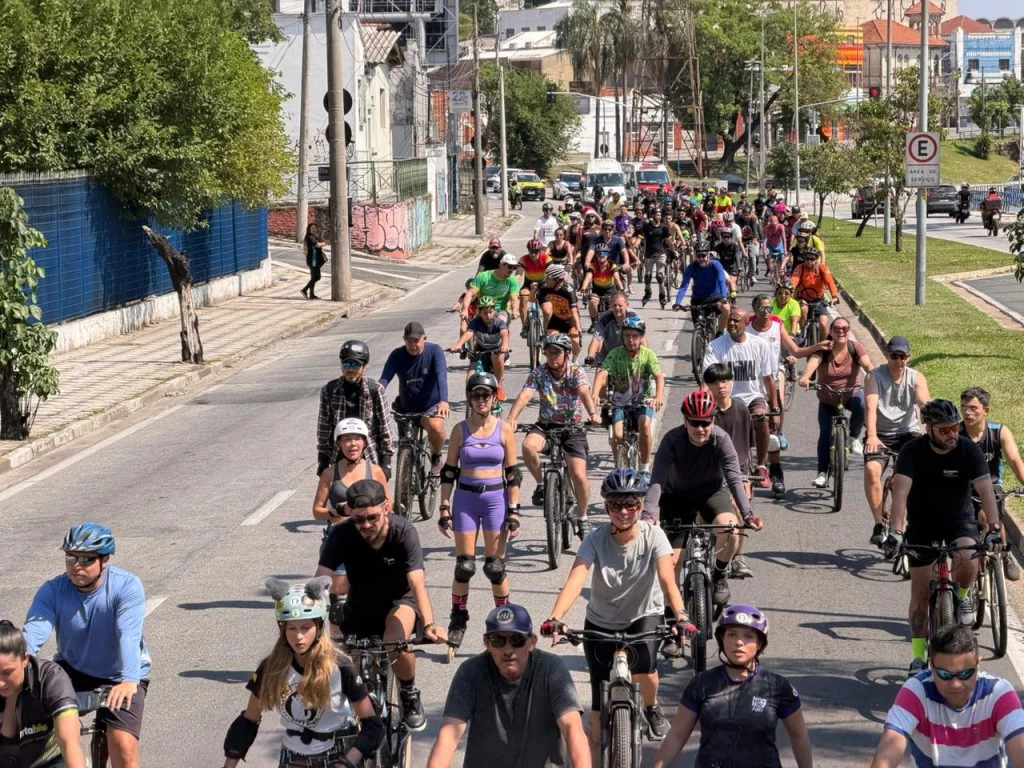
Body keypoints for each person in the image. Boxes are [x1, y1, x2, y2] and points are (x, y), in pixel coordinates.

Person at [545, 470, 697, 751]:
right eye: (616, 505)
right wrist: (555, 618)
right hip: (600, 621)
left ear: (641, 507)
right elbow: (576, 580)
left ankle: (651, 708)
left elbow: (667, 579)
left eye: (631, 505)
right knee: (596, 710)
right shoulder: (595, 539)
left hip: (643, 617)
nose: (624, 511)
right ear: (606, 507)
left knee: (646, 672)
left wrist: (681, 616)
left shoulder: (654, 537)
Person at [881, 400, 1003, 676]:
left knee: (969, 557)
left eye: (955, 428)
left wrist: (994, 527)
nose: (951, 434)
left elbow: (985, 490)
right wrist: (897, 533)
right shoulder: (912, 452)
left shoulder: (968, 450)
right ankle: (916, 656)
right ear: (930, 429)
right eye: (944, 430)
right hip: (922, 525)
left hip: (959, 521)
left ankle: (963, 596)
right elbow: (900, 494)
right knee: (920, 596)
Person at [316, 479, 447, 730]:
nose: (365, 525)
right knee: (350, 662)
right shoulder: (342, 534)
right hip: (362, 601)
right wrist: (304, 619)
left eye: (372, 517)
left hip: (401, 600)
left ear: (386, 508)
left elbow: (417, 581)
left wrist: (429, 624)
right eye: (358, 519)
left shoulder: (403, 531)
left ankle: (408, 694)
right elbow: (320, 577)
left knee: (394, 641)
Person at [222, 577, 384, 768]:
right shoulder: (271, 668)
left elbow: (373, 726)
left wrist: (348, 763)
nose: (298, 636)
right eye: (291, 628)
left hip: (338, 754)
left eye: (306, 627)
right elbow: (248, 721)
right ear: (282, 629)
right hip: (293, 757)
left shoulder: (340, 666)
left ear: (318, 627)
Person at [24, 525, 150, 768]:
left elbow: (128, 636)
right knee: (36, 723)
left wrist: (128, 679)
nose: (76, 566)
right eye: (70, 558)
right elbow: (33, 634)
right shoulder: (53, 590)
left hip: (121, 673)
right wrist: (15, 662)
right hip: (74, 668)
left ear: (105, 560)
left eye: (86, 559)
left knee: (124, 746)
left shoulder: (127, 587)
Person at [427, 605, 590, 768]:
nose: (508, 650)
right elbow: (449, 736)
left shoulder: (551, 669)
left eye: (517, 640)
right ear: (487, 643)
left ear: (532, 642)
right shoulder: (471, 672)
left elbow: (572, 729)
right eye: (498, 641)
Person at [653, 605, 814, 768]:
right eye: (731, 634)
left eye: (748, 636)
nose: (738, 642)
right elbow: (677, 736)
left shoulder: (777, 686)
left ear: (760, 644)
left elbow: (799, 736)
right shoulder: (701, 684)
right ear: (722, 639)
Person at [644, 390, 763, 608]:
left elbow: (735, 479)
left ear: (713, 420)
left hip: (710, 494)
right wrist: (648, 515)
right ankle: (672, 621)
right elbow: (657, 481)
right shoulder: (672, 440)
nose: (700, 429)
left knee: (730, 529)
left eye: (705, 423)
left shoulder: (721, 439)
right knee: (671, 564)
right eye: (694, 423)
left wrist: (747, 514)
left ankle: (719, 575)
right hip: (676, 499)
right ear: (685, 421)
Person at [437, 373, 521, 654]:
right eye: (476, 395)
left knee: (495, 568)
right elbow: (449, 472)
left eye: (486, 395)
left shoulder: (504, 430)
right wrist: (444, 507)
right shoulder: (460, 430)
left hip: (496, 499)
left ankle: (506, 622)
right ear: (469, 398)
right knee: (464, 566)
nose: (481, 400)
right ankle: (458, 621)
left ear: (494, 397)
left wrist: (515, 510)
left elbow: (512, 473)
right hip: (466, 500)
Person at [871, 625, 1024, 768]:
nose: (956, 684)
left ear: (978, 663)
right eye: (945, 674)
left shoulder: (998, 694)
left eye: (965, 673)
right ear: (931, 665)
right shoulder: (916, 692)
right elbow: (887, 753)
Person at [507, 334, 600, 537]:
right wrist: (511, 418)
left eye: (557, 352)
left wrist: (593, 414)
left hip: (572, 428)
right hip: (547, 426)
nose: (552, 356)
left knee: (579, 475)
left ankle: (583, 517)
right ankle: (542, 484)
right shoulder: (539, 372)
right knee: (529, 445)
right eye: (549, 352)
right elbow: (526, 395)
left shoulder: (576, 371)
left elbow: (584, 392)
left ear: (566, 353)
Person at [863, 336, 931, 545]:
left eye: (902, 356)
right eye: (894, 356)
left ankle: (912, 522)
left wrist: (932, 426)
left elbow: (924, 403)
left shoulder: (916, 377)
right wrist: (872, 435)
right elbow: (871, 408)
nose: (898, 361)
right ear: (887, 355)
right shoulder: (874, 376)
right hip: (881, 434)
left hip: (908, 434)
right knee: (872, 471)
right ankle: (878, 524)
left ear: (908, 358)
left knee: (913, 478)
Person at [702, 307, 780, 488]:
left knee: (761, 417)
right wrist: (702, 402)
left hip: (753, 396)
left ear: (747, 323)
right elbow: (707, 379)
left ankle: (761, 465)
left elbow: (769, 379)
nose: (731, 323)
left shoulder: (760, 344)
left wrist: (775, 409)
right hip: (726, 398)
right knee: (710, 427)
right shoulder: (716, 345)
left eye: (737, 320)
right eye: (730, 320)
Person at [312, 418, 391, 592]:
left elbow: (388, 506)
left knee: (374, 595)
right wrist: (337, 511)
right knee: (339, 601)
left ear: (364, 442)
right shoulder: (329, 473)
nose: (352, 444)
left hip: (371, 537)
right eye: (347, 439)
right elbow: (317, 511)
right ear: (339, 443)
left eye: (357, 438)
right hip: (340, 537)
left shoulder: (375, 471)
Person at [798, 316, 873, 489]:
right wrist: (806, 377)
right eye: (837, 328)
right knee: (825, 433)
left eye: (844, 329)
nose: (841, 331)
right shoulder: (824, 349)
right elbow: (812, 364)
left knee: (861, 405)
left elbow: (867, 364)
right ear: (831, 331)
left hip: (850, 393)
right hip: (827, 398)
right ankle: (822, 473)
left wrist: (874, 374)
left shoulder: (855, 347)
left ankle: (854, 437)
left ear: (849, 332)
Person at [0, 620, 86, 768]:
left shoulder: (51, 678)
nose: (0, 683)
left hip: (48, 761)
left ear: (25, 659)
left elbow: (68, 742)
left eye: (7, 673)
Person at [961, 386, 1024, 580]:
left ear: (986, 411)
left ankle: (1004, 555)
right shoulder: (956, 433)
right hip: (963, 486)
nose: (967, 412)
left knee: (991, 511)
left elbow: (1014, 460)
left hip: (991, 484)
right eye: (963, 407)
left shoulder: (999, 432)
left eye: (973, 408)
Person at [593, 316, 664, 482]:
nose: (631, 340)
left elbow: (659, 377)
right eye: (627, 336)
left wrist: (658, 397)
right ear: (622, 337)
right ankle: (623, 463)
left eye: (634, 336)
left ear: (641, 337)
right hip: (620, 403)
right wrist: (595, 394)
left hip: (643, 401)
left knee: (644, 425)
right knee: (617, 436)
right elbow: (602, 373)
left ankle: (645, 468)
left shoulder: (648, 355)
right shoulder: (615, 354)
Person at [703, 363, 756, 580]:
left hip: (739, 471)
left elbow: (748, 446)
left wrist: (751, 473)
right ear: (708, 386)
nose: (721, 387)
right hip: (712, 471)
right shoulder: (705, 413)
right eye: (715, 383)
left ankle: (738, 557)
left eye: (724, 381)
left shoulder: (742, 410)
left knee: (740, 505)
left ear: (731, 383)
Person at [379, 322, 451, 477]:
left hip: (430, 406)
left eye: (416, 341)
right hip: (406, 408)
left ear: (424, 339)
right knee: (406, 448)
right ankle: (404, 491)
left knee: (437, 427)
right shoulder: (397, 355)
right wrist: (375, 394)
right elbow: (384, 379)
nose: (412, 345)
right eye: (409, 341)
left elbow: (441, 376)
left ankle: (437, 456)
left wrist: (444, 400)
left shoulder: (434, 351)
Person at [316, 339, 397, 477]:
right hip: (339, 457)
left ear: (364, 367)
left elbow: (385, 428)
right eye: (346, 364)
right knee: (335, 495)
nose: (350, 369)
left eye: (355, 364)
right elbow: (324, 428)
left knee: (373, 497)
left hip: (369, 457)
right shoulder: (329, 390)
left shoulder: (375, 390)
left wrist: (386, 463)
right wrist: (323, 460)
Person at [448, 295, 511, 399]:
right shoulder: (476, 322)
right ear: (479, 312)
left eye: (490, 312)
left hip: (497, 350)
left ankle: (498, 386)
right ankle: (471, 403)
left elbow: (504, 333)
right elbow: (468, 333)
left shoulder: (499, 322)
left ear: (494, 311)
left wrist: (505, 345)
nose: (488, 315)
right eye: (484, 313)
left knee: (497, 356)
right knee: (470, 377)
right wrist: (458, 345)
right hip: (480, 352)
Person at [673, 245, 732, 335]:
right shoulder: (691, 267)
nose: (701, 258)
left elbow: (721, 281)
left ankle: (720, 332)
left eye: (703, 255)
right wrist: (677, 303)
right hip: (698, 300)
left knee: (726, 309)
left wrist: (723, 298)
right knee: (698, 326)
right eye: (698, 256)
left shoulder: (715, 265)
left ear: (708, 255)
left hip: (715, 297)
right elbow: (684, 286)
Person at [789, 248, 839, 345]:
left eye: (812, 259)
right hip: (804, 299)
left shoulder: (822, 268)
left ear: (817, 259)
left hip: (819, 300)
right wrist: (789, 292)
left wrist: (834, 296)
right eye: (807, 259)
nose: (809, 261)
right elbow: (794, 281)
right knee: (803, 310)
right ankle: (801, 335)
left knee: (823, 323)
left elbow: (830, 282)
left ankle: (822, 344)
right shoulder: (800, 268)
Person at [536, 263, 583, 358]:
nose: (546, 280)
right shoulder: (545, 287)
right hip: (555, 319)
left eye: (548, 278)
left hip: (569, 320)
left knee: (575, 340)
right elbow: (533, 300)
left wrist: (578, 329)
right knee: (552, 341)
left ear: (556, 279)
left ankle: (575, 358)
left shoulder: (569, 290)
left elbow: (574, 312)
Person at [463, 255, 522, 327]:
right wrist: (465, 309)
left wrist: (515, 310)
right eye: (509, 267)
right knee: (469, 329)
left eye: (514, 268)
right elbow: (470, 293)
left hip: (501, 310)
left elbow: (514, 298)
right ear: (501, 265)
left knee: (501, 322)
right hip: (483, 309)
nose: (511, 270)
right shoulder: (484, 276)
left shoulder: (512, 280)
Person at [584, 291, 639, 366]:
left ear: (627, 305)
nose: (617, 308)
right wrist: (590, 356)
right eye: (614, 305)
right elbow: (596, 339)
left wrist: (645, 358)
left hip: (629, 354)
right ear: (610, 305)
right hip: (608, 355)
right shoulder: (605, 318)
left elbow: (642, 339)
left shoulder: (634, 316)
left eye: (620, 305)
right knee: (600, 376)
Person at [579, 245, 624, 327]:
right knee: (592, 302)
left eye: (604, 253)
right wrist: (583, 289)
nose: (601, 255)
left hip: (610, 289)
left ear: (607, 255)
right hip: (597, 289)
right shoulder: (593, 265)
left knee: (616, 305)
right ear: (596, 255)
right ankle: (594, 323)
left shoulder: (612, 265)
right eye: (599, 254)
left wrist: (621, 289)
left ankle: (619, 321)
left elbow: (617, 279)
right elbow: (588, 278)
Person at [517, 240, 552, 331]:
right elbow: (518, 275)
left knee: (547, 311)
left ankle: (546, 332)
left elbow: (551, 273)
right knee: (523, 296)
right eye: (531, 251)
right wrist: (515, 288)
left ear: (540, 251)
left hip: (543, 285)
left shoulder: (546, 258)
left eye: (536, 252)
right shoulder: (523, 259)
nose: (533, 254)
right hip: (528, 284)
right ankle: (525, 326)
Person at [641, 208, 673, 308]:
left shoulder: (664, 227)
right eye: (657, 215)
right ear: (653, 215)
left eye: (660, 215)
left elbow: (668, 241)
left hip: (660, 253)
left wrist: (673, 250)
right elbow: (643, 241)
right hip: (649, 254)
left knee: (660, 276)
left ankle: (662, 295)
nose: (659, 217)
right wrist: (641, 253)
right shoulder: (647, 227)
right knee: (647, 276)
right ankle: (648, 292)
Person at [301, 222, 328, 299]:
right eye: (312, 228)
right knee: (317, 277)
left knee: (314, 277)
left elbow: (318, 247)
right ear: (308, 229)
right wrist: (326, 243)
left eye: (315, 228)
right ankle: (304, 290)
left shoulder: (315, 237)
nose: (314, 229)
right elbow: (317, 245)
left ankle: (311, 294)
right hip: (313, 261)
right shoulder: (309, 237)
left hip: (316, 260)